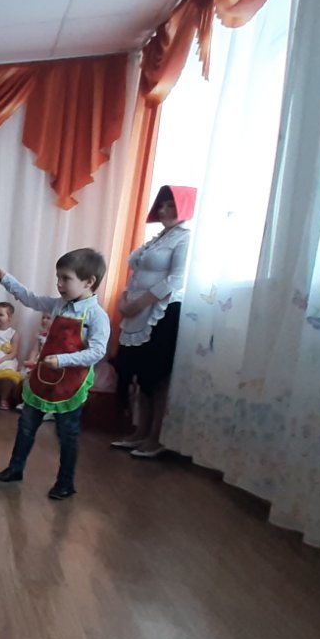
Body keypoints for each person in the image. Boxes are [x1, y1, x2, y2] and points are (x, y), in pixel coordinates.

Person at [0, 250, 110, 500]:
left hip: (70, 385)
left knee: (67, 435)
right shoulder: (58, 305)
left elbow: (97, 352)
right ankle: (15, 469)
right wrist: (5, 279)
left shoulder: (97, 316)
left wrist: (63, 360)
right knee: (26, 426)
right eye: (58, 277)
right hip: (43, 379)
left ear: (89, 282)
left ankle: (65, 483)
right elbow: (30, 299)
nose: (59, 284)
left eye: (66, 278)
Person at [113, 184, 196, 459]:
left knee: (156, 377)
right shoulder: (157, 239)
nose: (163, 210)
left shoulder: (185, 238)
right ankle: (140, 431)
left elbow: (176, 279)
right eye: (161, 205)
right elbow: (137, 274)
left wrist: (138, 304)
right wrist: (124, 300)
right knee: (139, 374)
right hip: (137, 313)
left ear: (183, 207)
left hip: (162, 313)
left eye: (171, 205)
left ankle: (155, 437)